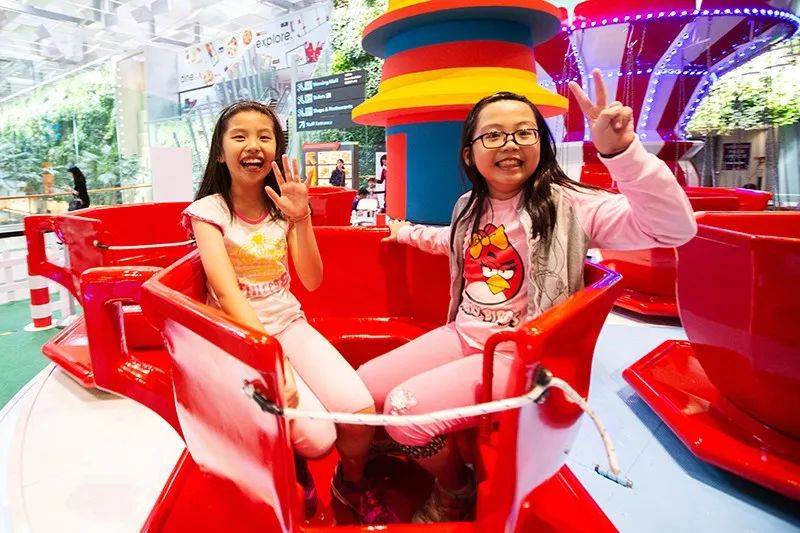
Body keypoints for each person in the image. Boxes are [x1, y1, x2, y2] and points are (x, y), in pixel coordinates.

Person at [356, 70, 697, 523]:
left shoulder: (571, 204)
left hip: (519, 356)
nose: (509, 144)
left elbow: (673, 229)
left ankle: (453, 487)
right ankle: (425, 446)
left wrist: (623, 153)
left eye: (523, 132)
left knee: (406, 409)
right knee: (363, 385)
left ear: (542, 143)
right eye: (493, 135)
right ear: (470, 152)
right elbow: (449, 241)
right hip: (464, 335)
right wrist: (404, 232)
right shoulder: (468, 206)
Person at [181, 100, 393, 523]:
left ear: (276, 150)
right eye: (239, 136)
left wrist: (302, 217)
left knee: (360, 414)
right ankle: (294, 465)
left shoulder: (283, 209)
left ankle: (349, 483)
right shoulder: (209, 212)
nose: (253, 145)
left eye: (265, 137)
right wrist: (275, 362)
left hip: (290, 324)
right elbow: (227, 295)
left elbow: (311, 280)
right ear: (220, 152)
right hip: (241, 338)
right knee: (317, 438)